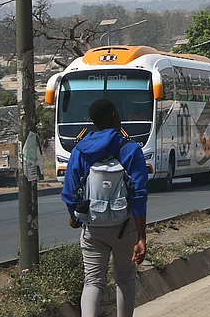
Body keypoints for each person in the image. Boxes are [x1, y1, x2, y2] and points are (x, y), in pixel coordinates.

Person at [62, 98, 148, 317]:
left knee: (92, 281)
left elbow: (70, 191)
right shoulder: (130, 150)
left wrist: (74, 217)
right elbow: (138, 195)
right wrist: (141, 237)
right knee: (125, 277)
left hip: (92, 227)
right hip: (124, 227)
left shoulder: (80, 151)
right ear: (113, 117)